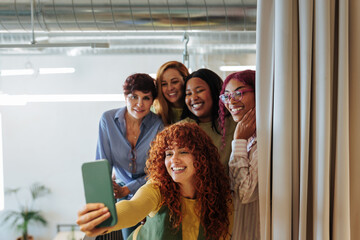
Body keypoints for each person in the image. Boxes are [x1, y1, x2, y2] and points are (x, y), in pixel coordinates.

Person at [77, 122, 233, 240]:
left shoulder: (219, 198)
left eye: (183, 152)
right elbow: (134, 207)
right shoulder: (158, 187)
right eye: (168, 154)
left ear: (201, 157)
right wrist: (106, 220)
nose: (174, 160)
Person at [95, 73, 164, 239]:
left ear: (152, 101)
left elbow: (158, 169)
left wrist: (128, 189)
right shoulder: (108, 119)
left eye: (146, 98)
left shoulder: (159, 125)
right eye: (134, 97)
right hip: (119, 191)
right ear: (125, 96)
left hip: (151, 188)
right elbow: (102, 163)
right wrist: (109, 189)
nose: (139, 104)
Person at [218, 70, 259, 240]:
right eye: (226, 96)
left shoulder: (263, 139)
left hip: (256, 228)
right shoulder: (249, 135)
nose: (231, 101)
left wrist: (239, 140)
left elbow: (245, 194)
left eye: (239, 93)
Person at [180, 68, 236, 168]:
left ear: (215, 91)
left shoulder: (235, 124)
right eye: (188, 94)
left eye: (199, 91)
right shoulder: (181, 129)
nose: (193, 97)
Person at [152, 61, 189, 125]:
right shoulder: (153, 110)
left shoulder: (196, 108)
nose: (170, 88)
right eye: (164, 84)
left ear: (185, 80)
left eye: (174, 82)